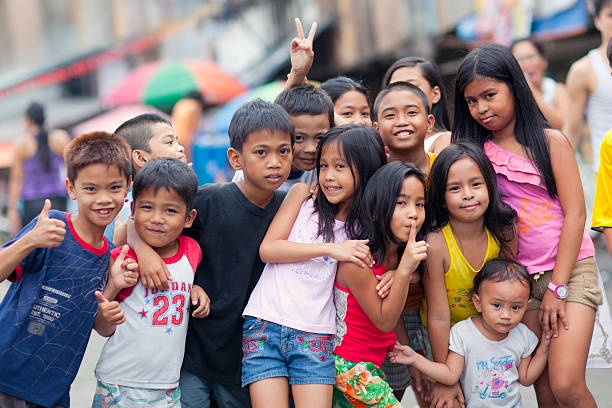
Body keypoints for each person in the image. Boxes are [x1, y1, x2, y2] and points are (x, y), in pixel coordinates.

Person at [452, 43, 602, 407]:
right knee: (545, 391)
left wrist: (558, 288)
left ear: (514, 87)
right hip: (515, 282)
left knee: (566, 384)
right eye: (472, 101)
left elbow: (576, 216)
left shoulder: (551, 142)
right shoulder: (475, 154)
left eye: (490, 95)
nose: (481, 108)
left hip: (568, 270)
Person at [130, 99, 294, 408]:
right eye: (261, 152)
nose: (274, 162)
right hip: (194, 350)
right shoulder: (206, 201)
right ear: (235, 158)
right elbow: (142, 226)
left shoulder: (290, 210)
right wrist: (145, 252)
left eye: (283, 151)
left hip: (250, 357)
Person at [242, 125, 386, 408]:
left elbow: (383, 265)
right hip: (264, 324)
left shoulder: (366, 228)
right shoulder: (303, 197)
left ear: (366, 170)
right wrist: (331, 248)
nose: (329, 175)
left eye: (340, 167)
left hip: (316, 333)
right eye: (323, 166)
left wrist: (395, 273)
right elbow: (268, 249)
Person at [0, 131, 135, 407]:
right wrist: (30, 240)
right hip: (5, 377)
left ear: (127, 186)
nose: (103, 199)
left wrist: (112, 290)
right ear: (71, 188)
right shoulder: (52, 227)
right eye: (90, 189)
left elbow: (102, 327)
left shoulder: (110, 256)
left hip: (53, 393)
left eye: (114, 187)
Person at [92, 158, 210, 407]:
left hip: (167, 386)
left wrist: (196, 291)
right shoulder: (121, 259)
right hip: (119, 382)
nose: (157, 218)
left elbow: (184, 283)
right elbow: (102, 327)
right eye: (147, 207)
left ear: (189, 218)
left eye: (170, 210)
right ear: (133, 210)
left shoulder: (192, 251)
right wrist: (110, 295)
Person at [422, 142, 517, 407]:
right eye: (455, 188)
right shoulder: (437, 243)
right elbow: (439, 317)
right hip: (445, 340)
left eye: (476, 184)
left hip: (489, 335)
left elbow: (512, 289)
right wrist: (445, 377)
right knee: (449, 401)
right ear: (441, 196)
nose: (467, 194)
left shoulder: (504, 231)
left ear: (490, 186)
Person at [389, 258, 551, 408]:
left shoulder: (523, 335)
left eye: (516, 307)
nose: (506, 315)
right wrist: (415, 359)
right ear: (478, 303)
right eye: (496, 305)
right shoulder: (464, 333)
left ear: (527, 305)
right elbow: (450, 374)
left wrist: (544, 347)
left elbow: (526, 378)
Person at [333, 161, 428, 407]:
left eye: (420, 204)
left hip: (368, 367)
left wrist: (403, 271)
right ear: (375, 210)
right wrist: (405, 270)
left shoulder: (397, 256)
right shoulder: (359, 259)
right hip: (349, 368)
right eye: (401, 203)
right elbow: (384, 320)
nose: (413, 213)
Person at [372, 81, 437, 403]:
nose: (401, 121)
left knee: (437, 389)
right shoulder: (374, 180)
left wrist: (405, 274)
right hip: (388, 309)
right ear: (375, 127)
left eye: (411, 112)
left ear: (430, 122)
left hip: (437, 301)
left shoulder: (446, 170)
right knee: (391, 387)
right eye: (390, 114)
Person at [232, 83, 334, 191]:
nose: (311, 149)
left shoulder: (325, 173)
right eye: (298, 138)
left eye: (319, 138)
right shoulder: (251, 176)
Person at [104, 113, 187, 245]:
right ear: (141, 158)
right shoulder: (130, 210)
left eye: (177, 141)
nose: (181, 148)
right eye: (169, 142)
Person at [8, 101, 71, 236]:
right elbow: (72, 169)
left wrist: (12, 210)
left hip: (32, 203)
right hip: (58, 200)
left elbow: (16, 179)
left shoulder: (22, 143)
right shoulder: (60, 138)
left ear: (28, 120)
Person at [564, 0, 612, 163]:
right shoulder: (584, 69)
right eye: (610, 15)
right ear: (597, 21)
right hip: (607, 172)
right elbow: (571, 131)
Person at [381, 57, 452, 154]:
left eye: (412, 86)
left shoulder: (445, 140)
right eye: (395, 87)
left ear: (435, 94)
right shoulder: (383, 148)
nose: (402, 94)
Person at [511, 37, 568, 130]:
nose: (527, 63)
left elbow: (564, 126)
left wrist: (531, 91)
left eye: (531, 57)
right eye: (520, 59)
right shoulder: (511, 96)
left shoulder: (558, 89)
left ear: (544, 61)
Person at [171, 90, 204, 163]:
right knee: (187, 162)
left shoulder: (179, 104)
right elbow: (196, 126)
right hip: (185, 139)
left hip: (174, 136)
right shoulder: (195, 105)